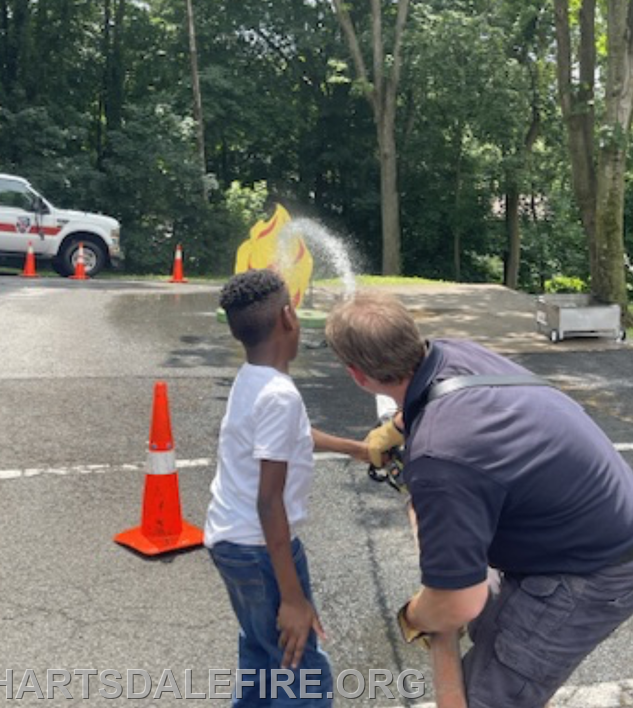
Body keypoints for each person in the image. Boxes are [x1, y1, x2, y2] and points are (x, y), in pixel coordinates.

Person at [324, 289, 633, 708]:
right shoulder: (454, 353)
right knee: (490, 629)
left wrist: (414, 616)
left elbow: (459, 602)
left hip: (591, 570)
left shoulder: (439, 457)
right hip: (582, 521)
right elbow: (431, 400)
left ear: (357, 375)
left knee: (489, 696)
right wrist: (395, 429)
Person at [204, 269, 365, 707]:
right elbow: (268, 500)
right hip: (261, 550)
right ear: (290, 318)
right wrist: (293, 599)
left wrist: (358, 448)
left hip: (229, 542)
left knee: (262, 657)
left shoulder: (253, 378)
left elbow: (293, 436)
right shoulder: (280, 394)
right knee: (302, 675)